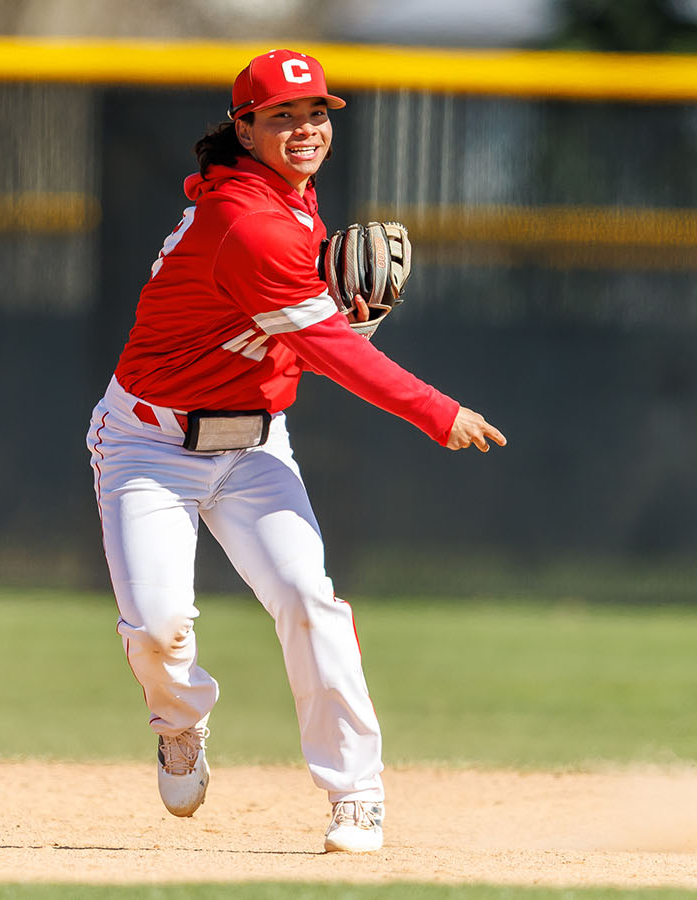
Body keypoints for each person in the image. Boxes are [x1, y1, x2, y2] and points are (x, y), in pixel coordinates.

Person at [86, 48, 506, 854]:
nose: (306, 127)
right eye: (282, 115)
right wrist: (436, 410)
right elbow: (328, 353)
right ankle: (180, 723)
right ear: (244, 128)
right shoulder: (248, 222)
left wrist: (333, 317)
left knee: (310, 602)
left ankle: (358, 794)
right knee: (157, 628)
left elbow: (280, 338)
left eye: (317, 112)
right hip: (148, 444)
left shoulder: (292, 201)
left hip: (253, 447)